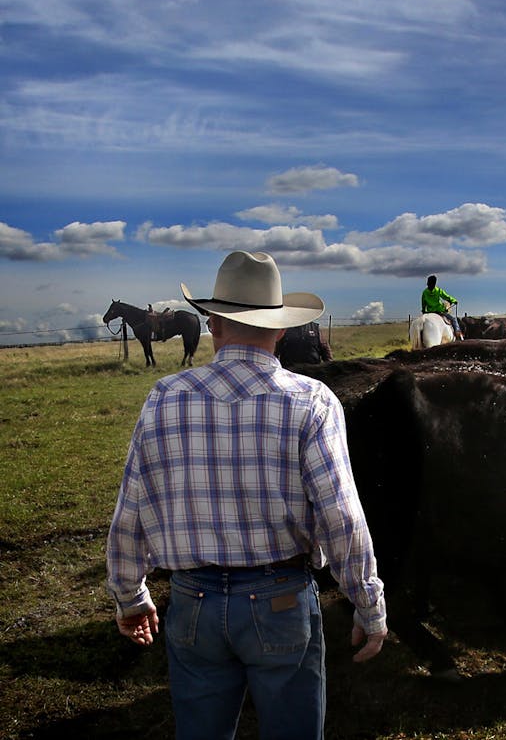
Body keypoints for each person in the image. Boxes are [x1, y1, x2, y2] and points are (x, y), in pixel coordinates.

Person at [106, 250, 387, 740]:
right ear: (280, 329)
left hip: (193, 599)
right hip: (281, 599)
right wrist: (369, 604)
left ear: (212, 323)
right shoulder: (312, 400)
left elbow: (132, 509)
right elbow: (342, 516)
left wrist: (130, 595)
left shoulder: (165, 396)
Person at [421, 274, 463, 340]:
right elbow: (446, 297)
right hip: (439, 311)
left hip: (429, 312)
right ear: (435, 283)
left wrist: (423, 311)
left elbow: (423, 303)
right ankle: (458, 334)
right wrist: (454, 300)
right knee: (453, 319)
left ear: (427, 283)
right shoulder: (438, 290)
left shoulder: (425, 292)